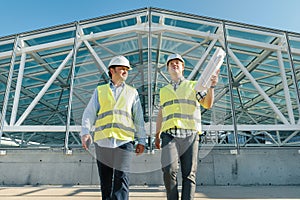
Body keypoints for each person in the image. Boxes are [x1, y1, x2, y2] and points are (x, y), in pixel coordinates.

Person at [81, 55, 146, 200]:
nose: (125, 72)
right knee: (106, 182)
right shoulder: (100, 91)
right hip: (103, 141)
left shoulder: (132, 92)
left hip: (125, 141)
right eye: (121, 69)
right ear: (112, 70)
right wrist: (85, 132)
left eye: (126, 70)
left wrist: (142, 140)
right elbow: (89, 113)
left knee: (122, 178)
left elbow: (139, 119)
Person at [155, 53, 219, 200]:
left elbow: (207, 104)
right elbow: (161, 114)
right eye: (171, 63)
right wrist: (157, 134)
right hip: (169, 134)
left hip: (190, 134)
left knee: (189, 173)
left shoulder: (194, 86)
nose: (174, 64)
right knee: (168, 170)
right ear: (167, 68)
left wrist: (211, 87)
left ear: (183, 67)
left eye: (178, 62)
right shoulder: (163, 90)